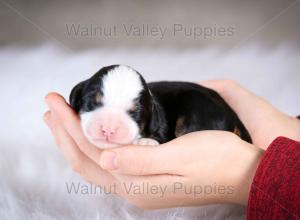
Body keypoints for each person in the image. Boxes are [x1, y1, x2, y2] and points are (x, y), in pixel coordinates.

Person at [43, 80, 300, 219]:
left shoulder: (160, 116)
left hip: (203, 111)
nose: (108, 127)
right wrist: (291, 130)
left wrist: (250, 174)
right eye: (93, 106)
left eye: (130, 113)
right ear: (79, 96)